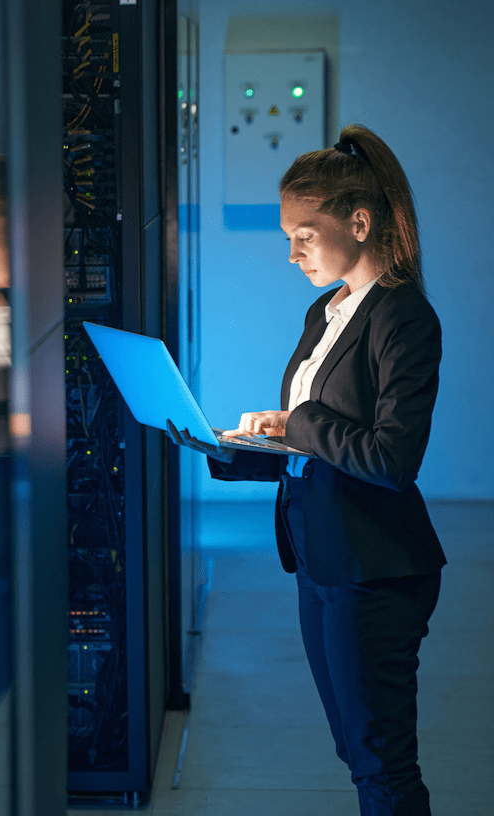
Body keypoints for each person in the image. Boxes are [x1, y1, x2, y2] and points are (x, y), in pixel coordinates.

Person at [167, 124, 447, 816]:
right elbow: (317, 450)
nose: (291, 252)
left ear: (359, 222)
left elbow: (390, 458)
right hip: (321, 556)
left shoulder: (405, 318)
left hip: (374, 569)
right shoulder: (324, 311)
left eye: (303, 233)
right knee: (357, 752)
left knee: (381, 762)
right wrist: (227, 450)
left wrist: (296, 424)